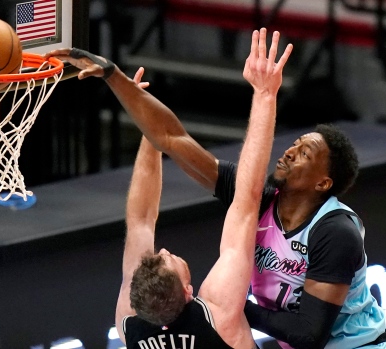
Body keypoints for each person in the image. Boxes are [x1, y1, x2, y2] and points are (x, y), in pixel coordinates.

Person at [45, 29, 386, 348]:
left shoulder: (335, 231)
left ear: (323, 182)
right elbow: (175, 142)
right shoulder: (213, 312)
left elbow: (168, 146)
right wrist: (264, 94)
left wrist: (115, 79)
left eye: (303, 152)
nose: (289, 151)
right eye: (297, 145)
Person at [51, 29, 291, 348]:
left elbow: (140, 219)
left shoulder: (131, 326)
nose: (162, 250)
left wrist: (149, 127)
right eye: (168, 260)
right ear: (189, 293)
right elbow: (246, 201)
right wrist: (265, 95)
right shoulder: (217, 314)